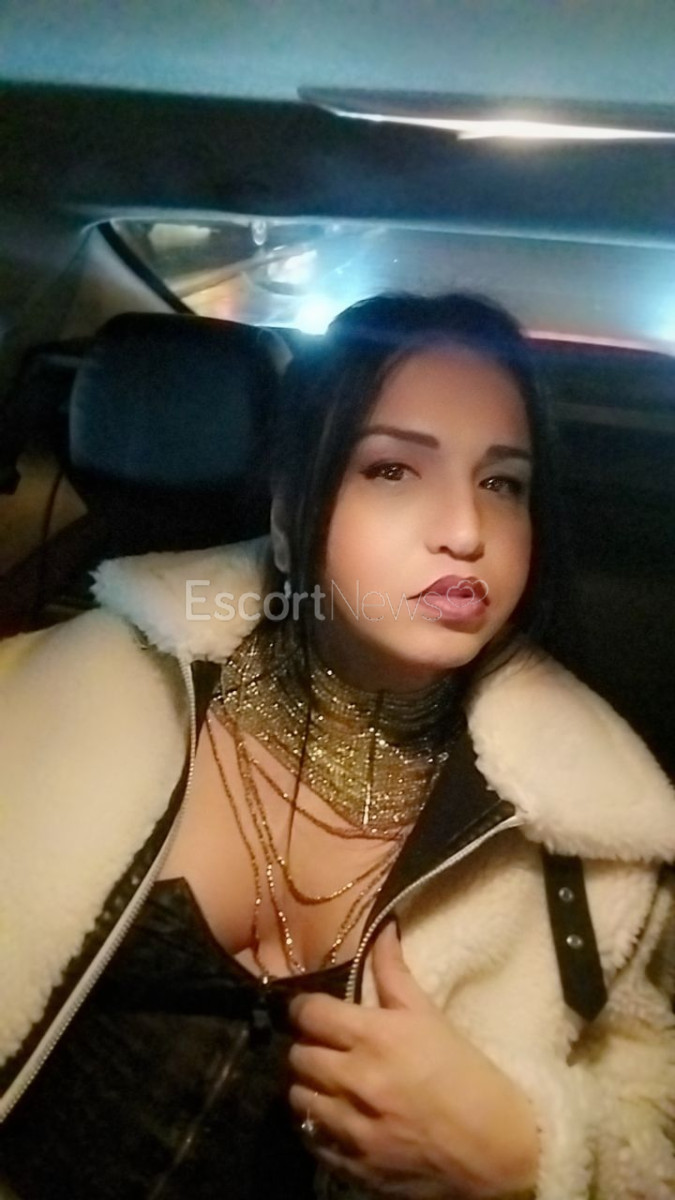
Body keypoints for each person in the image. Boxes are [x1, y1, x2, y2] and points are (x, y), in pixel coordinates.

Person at [0, 293, 673, 1200]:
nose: (465, 532)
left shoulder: (599, 840)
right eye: (392, 469)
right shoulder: (53, 701)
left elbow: (651, 1117)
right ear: (290, 515)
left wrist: (529, 1155)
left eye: (502, 484)